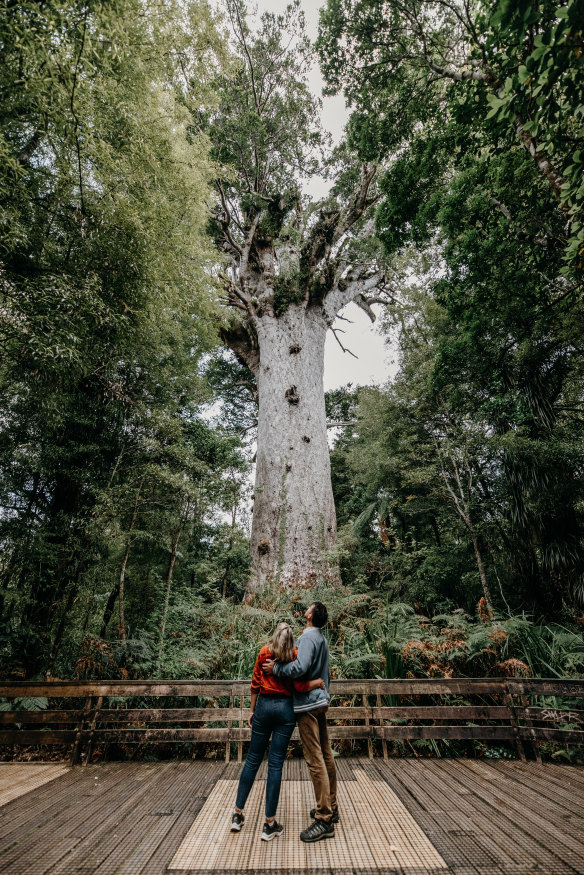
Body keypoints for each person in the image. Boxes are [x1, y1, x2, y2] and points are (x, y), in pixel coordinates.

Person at [231, 622, 325, 842]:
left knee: (252, 759)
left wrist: (252, 711)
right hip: (285, 710)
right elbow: (300, 687)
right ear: (292, 640)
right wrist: (317, 683)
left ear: (275, 636)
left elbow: (255, 684)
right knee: (275, 765)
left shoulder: (265, 652)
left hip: (263, 707)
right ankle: (269, 824)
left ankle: (237, 814)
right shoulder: (294, 655)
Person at [262, 601, 338, 844]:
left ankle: (324, 818)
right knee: (326, 755)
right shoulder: (323, 639)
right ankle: (331, 806)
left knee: (315, 759)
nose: (306, 608)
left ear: (310, 615)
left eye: (309, 607)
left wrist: (276, 668)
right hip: (321, 701)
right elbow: (323, 673)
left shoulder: (307, 638)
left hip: (307, 705)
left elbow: (301, 666)